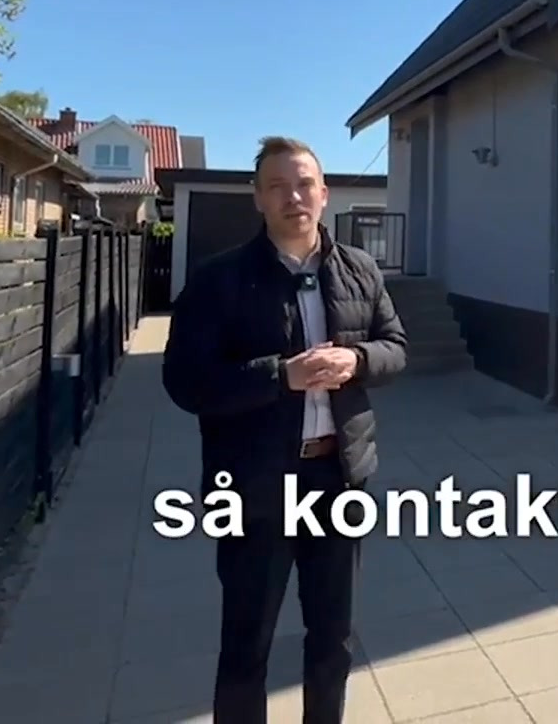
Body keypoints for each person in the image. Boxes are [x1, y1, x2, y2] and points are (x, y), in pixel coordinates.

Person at [162, 135, 408, 724]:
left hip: (340, 479)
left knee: (333, 638)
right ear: (257, 197)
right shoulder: (218, 279)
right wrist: (281, 376)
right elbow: (185, 382)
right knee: (246, 643)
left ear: (324, 194)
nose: (292, 197)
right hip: (254, 487)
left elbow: (397, 348)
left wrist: (358, 360)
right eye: (277, 186)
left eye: (303, 185)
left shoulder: (360, 269)